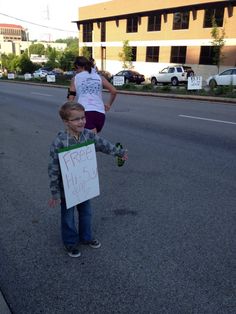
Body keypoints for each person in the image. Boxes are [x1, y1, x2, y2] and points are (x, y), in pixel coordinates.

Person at [48, 101, 128, 258]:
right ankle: (70, 242)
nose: (81, 121)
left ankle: (86, 237)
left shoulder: (89, 135)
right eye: (76, 119)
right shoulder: (59, 142)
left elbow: (104, 145)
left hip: (85, 185)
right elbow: (53, 168)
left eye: (83, 117)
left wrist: (119, 152)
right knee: (68, 216)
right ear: (66, 122)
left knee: (86, 212)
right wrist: (55, 193)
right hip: (67, 189)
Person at [67, 56, 117, 134]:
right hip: (100, 114)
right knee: (90, 141)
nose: (75, 71)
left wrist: (69, 114)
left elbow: (71, 97)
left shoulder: (75, 78)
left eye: (75, 69)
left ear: (78, 66)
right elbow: (114, 91)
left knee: (89, 142)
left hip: (85, 113)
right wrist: (108, 104)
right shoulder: (99, 77)